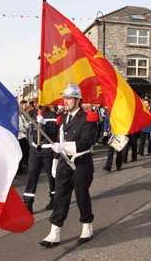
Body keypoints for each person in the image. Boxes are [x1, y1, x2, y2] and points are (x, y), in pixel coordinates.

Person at [40, 83, 98, 248]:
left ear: (78, 99)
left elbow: (87, 142)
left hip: (81, 163)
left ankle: (87, 226)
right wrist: (55, 161)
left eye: (69, 98)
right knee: (60, 197)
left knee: (81, 196)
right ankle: (55, 232)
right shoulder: (63, 117)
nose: (65, 101)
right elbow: (59, 141)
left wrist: (64, 147)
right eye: (64, 98)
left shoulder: (88, 117)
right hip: (64, 163)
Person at [23, 104, 58, 213]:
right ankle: (28, 204)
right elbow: (29, 133)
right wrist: (31, 145)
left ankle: (54, 200)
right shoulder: (32, 114)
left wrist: (44, 123)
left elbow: (54, 133)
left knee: (52, 176)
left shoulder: (52, 115)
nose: (38, 103)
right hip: (35, 151)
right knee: (31, 176)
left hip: (48, 151)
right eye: (36, 101)